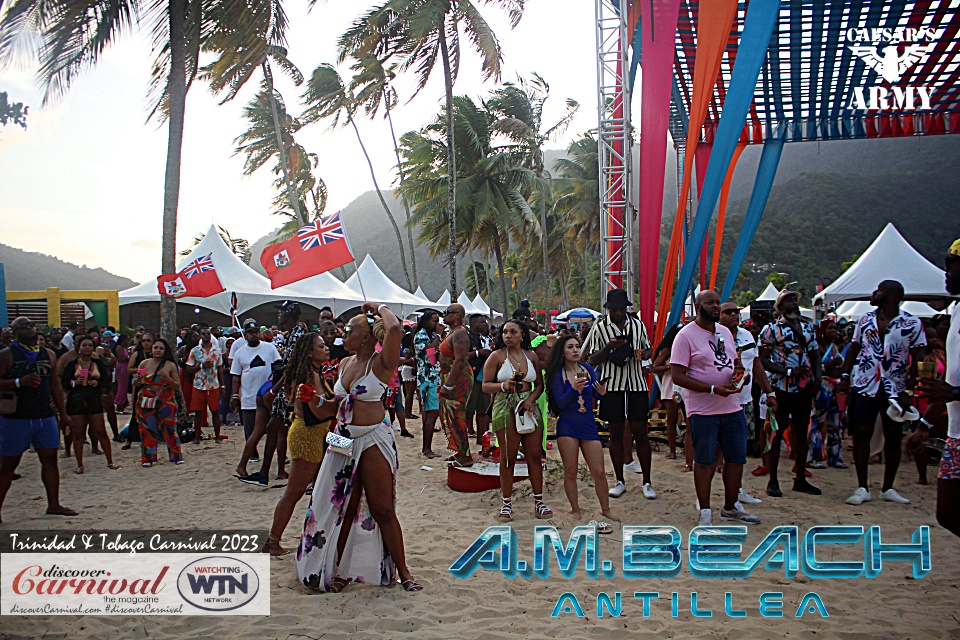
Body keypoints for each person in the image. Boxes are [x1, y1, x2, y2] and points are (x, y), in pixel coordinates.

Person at [296, 303, 422, 592]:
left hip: (373, 438)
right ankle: (337, 569)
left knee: (382, 508)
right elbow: (331, 409)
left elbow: (394, 329)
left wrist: (378, 307)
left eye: (350, 330)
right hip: (341, 438)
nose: (343, 335)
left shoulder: (380, 364)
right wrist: (312, 399)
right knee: (342, 506)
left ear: (365, 337)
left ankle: (404, 572)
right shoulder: (344, 364)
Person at [671, 291, 760, 526]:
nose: (715, 306)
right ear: (698, 308)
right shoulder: (685, 336)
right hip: (703, 410)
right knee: (705, 460)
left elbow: (733, 363)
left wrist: (741, 376)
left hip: (732, 406)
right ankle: (705, 512)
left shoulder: (724, 333)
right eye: (709, 303)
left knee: (736, 459)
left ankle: (730, 507)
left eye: (717, 303)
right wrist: (711, 389)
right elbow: (678, 376)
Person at [841, 280, 925, 506]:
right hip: (864, 383)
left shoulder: (911, 323)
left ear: (891, 296)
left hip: (894, 386)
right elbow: (855, 347)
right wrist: (846, 375)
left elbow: (918, 356)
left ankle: (888, 487)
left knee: (893, 436)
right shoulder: (865, 319)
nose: (873, 293)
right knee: (861, 433)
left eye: (878, 290)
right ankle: (862, 487)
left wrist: (909, 387)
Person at [263, 332, 338, 556]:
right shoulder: (310, 376)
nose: (327, 349)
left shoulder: (313, 372)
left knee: (319, 490)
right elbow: (317, 412)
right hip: (308, 435)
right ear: (309, 352)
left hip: (315, 434)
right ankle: (272, 541)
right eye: (322, 346)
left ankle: (312, 535)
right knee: (294, 492)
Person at [0, 317, 78, 523]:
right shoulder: (7, 355)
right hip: (16, 416)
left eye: (31, 326)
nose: (29, 329)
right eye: (24, 327)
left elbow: (55, 386)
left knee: (50, 460)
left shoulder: (48, 354)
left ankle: (54, 504)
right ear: (15, 332)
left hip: (44, 414)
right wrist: (18, 382)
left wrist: (63, 414)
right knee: (8, 465)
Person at [582, 288, 656, 500]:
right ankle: (620, 480)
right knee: (615, 433)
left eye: (620, 308)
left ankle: (647, 481)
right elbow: (593, 359)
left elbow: (649, 349)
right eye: (613, 309)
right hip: (611, 385)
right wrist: (609, 348)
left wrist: (644, 354)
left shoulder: (637, 324)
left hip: (636, 384)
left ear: (625, 308)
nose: (617, 312)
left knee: (640, 431)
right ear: (608, 309)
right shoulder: (599, 328)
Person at [909, 238, 960, 537]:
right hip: (955, 435)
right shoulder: (955, 311)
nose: (946, 273)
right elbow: (950, 382)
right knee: (948, 514)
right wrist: (925, 424)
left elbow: (951, 388)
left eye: (951, 265)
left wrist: (953, 394)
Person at [481, 319, 552, 521]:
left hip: (529, 406)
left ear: (522, 335)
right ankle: (506, 504)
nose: (508, 336)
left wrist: (530, 400)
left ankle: (539, 501)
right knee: (507, 457)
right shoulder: (496, 357)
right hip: (504, 406)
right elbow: (485, 385)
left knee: (534, 455)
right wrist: (503, 386)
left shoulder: (531, 356)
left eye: (513, 332)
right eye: (505, 332)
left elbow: (539, 384)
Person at [546, 334, 617, 529]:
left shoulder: (587, 369)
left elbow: (594, 392)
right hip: (568, 424)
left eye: (577, 346)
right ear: (562, 351)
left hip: (587, 424)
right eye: (570, 347)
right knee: (571, 471)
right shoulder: (558, 374)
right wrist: (573, 389)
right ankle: (575, 509)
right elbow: (559, 403)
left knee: (599, 471)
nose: (576, 350)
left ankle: (605, 508)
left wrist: (601, 392)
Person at [759, 289, 823, 497]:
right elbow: (763, 360)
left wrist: (817, 379)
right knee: (777, 433)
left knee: (801, 433)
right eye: (788, 301)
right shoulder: (771, 329)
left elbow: (815, 355)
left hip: (804, 388)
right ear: (780, 307)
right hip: (781, 387)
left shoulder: (808, 328)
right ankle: (773, 480)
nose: (793, 303)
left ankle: (800, 479)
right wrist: (787, 371)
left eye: (795, 300)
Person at [719, 300, 778, 507]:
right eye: (728, 312)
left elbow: (756, 364)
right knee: (715, 451)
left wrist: (769, 391)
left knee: (738, 449)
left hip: (744, 400)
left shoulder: (746, 335)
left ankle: (737, 489)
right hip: (718, 401)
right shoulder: (713, 336)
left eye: (736, 311)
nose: (734, 314)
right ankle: (708, 495)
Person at [60, 335, 119, 473]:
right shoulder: (71, 364)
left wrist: (97, 383)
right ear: (78, 348)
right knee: (78, 433)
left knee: (101, 431)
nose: (87, 348)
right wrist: (75, 382)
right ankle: (80, 464)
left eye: (89, 345)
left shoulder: (98, 364)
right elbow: (64, 383)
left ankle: (110, 461)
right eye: (84, 345)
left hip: (94, 400)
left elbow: (106, 381)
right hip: (76, 401)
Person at [230, 321, 281, 479]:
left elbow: (278, 366)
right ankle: (250, 459)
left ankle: (274, 465)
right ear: (245, 335)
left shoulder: (269, 348)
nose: (254, 334)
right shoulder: (240, 353)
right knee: (253, 432)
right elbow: (236, 377)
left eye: (256, 331)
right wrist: (235, 396)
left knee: (273, 432)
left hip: (269, 396)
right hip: (250, 398)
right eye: (250, 332)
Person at [133, 338, 182, 467]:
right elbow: (138, 383)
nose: (158, 350)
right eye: (156, 348)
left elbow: (177, 386)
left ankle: (175, 456)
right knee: (147, 429)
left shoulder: (170, 365)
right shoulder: (144, 364)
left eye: (161, 348)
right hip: (147, 397)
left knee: (170, 428)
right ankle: (148, 458)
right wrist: (136, 380)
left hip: (166, 398)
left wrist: (168, 379)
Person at [438, 303, 473, 467]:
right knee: (451, 415)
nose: (444, 316)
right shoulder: (451, 332)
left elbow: (460, 360)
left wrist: (449, 384)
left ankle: (465, 456)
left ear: (457, 315)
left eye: (447, 313)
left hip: (457, 378)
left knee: (456, 414)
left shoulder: (459, 333)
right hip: (449, 375)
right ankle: (461, 451)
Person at [811, 319, 847, 469]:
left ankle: (835, 457)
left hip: (837, 387)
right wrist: (827, 366)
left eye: (836, 328)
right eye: (830, 328)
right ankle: (815, 456)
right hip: (823, 386)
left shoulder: (835, 347)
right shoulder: (818, 348)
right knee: (818, 423)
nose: (834, 331)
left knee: (836, 423)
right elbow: (814, 366)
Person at [651, 322, 685, 462]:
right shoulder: (667, 350)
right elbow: (654, 367)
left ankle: (689, 448)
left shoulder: (687, 348)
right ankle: (672, 450)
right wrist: (669, 368)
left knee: (689, 418)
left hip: (684, 384)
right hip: (671, 385)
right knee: (671, 419)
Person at [185, 323, 223, 442]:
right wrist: (200, 366)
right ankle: (197, 437)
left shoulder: (217, 350)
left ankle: (217, 436)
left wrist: (223, 385)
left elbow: (220, 367)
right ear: (200, 336)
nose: (206, 336)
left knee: (215, 411)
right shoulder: (195, 351)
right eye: (203, 334)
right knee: (198, 412)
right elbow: (188, 368)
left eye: (208, 333)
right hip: (199, 384)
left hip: (213, 384)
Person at [414, 311, 442, 458]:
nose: (437, 324)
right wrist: (438, 336)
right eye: (434, 321)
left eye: (438, 321)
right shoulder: (420, 336)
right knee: (432, 414)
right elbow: (429, 352)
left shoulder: (431, 335)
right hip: (427, 379)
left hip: (436, 378)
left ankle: (427, 447)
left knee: (432, 414)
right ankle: (426, 449)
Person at [466, 314, 492, 443]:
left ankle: (481, 439)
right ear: (474, 323)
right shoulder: (467, 337)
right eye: (482, 322)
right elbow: (460, 356)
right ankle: (467, 433)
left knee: (483, 410)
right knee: (468, 409)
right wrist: (478, 353)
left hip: (484, 377)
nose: (484, 324)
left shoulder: (486, 337)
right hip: (471, 377)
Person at [113, 333, 131, 414]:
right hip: (121, 368)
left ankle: (122, 405)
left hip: (125, 368)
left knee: (124, 386)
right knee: (122, 386)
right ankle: (119, 406)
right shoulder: (119, 347)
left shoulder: (124, 347)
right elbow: (120, 358)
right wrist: (129, 357)